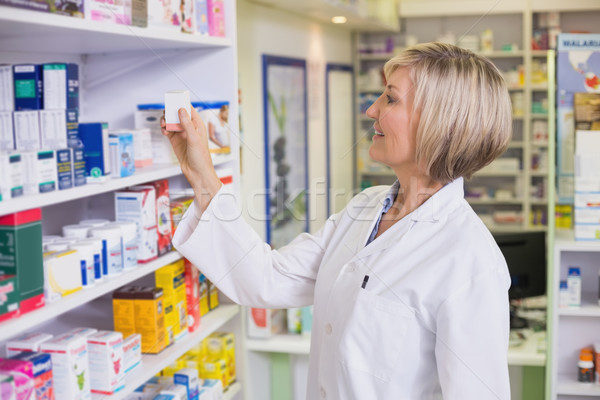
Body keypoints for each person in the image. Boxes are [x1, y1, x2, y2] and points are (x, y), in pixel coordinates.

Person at [161, 42, 512, 399]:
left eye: (390, 99)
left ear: (440, 123)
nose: (371, 108)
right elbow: (267, 279)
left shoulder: (471, 263)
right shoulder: (366, 208)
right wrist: (202, 175)